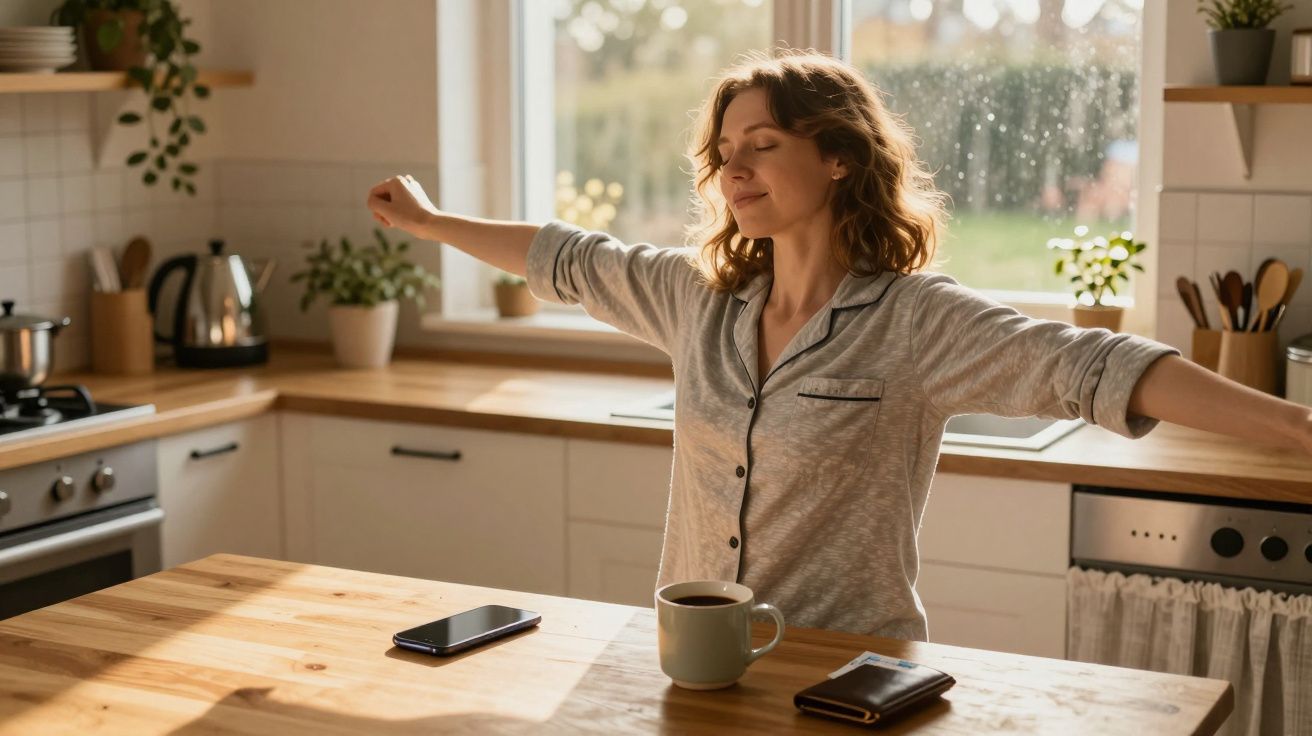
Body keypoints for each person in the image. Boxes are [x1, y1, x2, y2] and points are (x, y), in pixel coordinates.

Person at [366, 49, 1312, 641]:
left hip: (846, 672)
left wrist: (1302, 432)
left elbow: (1104, 368)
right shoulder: (699, 303)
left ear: (838, 156)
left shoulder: (916, 322)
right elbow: (567, 257)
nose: (732, 168)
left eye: (763, 143)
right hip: (696, 663)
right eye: (724, 151)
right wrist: (432, 222)